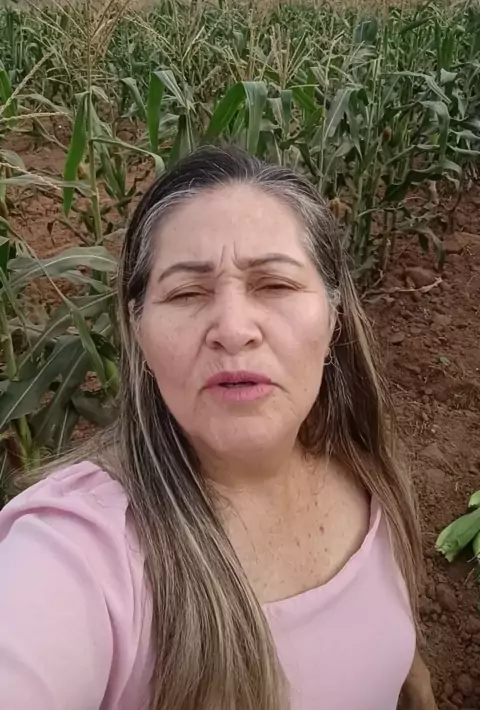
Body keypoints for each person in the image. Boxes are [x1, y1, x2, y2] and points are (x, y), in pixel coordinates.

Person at [0, 146, 436, 710]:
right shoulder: (81, 552)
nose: (232, 329)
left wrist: (408, 668)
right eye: (186, 293)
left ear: (334, 316)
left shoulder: (364, 461)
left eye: (275, 285)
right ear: (138, 332)